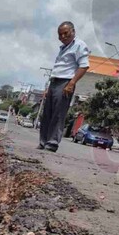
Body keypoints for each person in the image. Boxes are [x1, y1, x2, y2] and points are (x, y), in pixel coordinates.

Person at [39, 21, 90, 152]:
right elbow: (58, 68)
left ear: (73, 32)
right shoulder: (62, 48)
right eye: (60, 34)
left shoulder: (79, 45)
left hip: (65, 83)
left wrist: (71, 83)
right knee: (47, 114)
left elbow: (84, 66)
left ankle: (52, 143)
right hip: (54, 82)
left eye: (65, 33)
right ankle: (43, 142)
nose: (62, 37)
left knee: (58, 114)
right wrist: (48, 88)